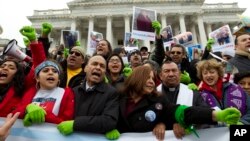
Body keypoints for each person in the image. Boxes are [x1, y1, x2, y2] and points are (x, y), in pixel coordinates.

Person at [105, 66, 241, 140]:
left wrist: (216, 115)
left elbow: (183, 112)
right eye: (148, 78)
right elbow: (103, 115)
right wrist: (107, 127)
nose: (152, 82)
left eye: (153, 79)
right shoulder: (117, 96)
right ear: (136, 79)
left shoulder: (158, 99)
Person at [57, 55, 119, 136]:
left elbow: (109, 120)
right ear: (85, 68)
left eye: (102, 66)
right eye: (94, 64)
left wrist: (76, 124)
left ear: (105, 72)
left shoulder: (111, 93)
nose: (98, 67)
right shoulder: (73, 91)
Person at [0, 26, 46, 117]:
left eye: (11, 67)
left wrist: (33, 41)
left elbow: (40, 67)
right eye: (2, 66)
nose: (5, 68)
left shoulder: (22, 87)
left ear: (17, 74)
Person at [156, 61, 208, 139]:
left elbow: (205, 115)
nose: (171, 74)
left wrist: (187, 124)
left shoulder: (192, 92)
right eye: (167, 71)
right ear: (160, 75)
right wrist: (158, 123)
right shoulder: (152, 94)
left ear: (179, 74)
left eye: (174, 70)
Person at [13, 60, 74, 125]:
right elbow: (15, 113)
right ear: (37, 78)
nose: (51, 73)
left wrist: (44, 115)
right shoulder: (31, 91)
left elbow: (66, 121)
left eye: (55, 71)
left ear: (58, 78)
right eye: (45, 71)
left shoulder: (67, 93)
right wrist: (26, 109)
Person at [197, 59, 250, 125]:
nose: (208, 75)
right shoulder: (199, 94)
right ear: (202, 76)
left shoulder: (236, 88)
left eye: (212, 72)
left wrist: (242, 123)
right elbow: (199, 117)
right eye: (205, 73)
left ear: (218, 73)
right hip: (215, 133)